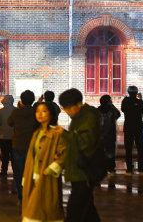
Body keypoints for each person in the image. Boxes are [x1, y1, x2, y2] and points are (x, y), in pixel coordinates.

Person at [59, 88, 101, 222]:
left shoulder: (88, 117)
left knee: (74, 210)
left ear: (78, 104)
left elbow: (84, 142)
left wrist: (64, 134)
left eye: (68, 108)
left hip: (85, 172)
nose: (67, 111)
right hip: (79, 171)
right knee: (87, 210)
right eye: (64, 108)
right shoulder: (79, 117)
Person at [21, 102, 66, 222]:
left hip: (47, 175)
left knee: (41, 210)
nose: (40, 114)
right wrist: (26, 175)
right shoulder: (36, 132)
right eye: (37, 111)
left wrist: (54, 166)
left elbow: (65, 152)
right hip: (33, 175)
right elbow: (31, 156)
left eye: (44, 111)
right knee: (35, 209)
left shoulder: (57, 132)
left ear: (51, 114)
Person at [7, 90, 37, 204]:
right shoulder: (36, 112)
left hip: (17, 145)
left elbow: (10, 123)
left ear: (22, 100)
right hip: (32, 145)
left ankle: (21, 197)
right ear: (33, 100)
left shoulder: (16, 112)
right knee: (32, 172)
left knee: (18, 173)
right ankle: (32, 195)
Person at [121, 85, 143, 174]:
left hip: (128, 127)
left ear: (128, 92)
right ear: (136, 93)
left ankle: (129, 168)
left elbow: (123, 109)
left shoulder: (125, 101)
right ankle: (141, 168)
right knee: (140, 148)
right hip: (138, 127)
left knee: (128, 148)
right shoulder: (139, 101)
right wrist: (141, 99)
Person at [97, 94, 121, 174]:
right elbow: (118, 114)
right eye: (110, 100)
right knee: (110, 152)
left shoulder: (97, 110)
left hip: (100, 136)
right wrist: (112, 105)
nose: (111, 101)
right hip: (110, 135)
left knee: (101, 152)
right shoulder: (112, 110)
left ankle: (102, 168)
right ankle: (111, 168)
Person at [0, 94, 15, 178]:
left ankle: (4, 171)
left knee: (4, 156)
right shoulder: (16, 110)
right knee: (14, 156)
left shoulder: (1, 111)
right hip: (14, 138)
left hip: (4, 137)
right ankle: (16, 171)